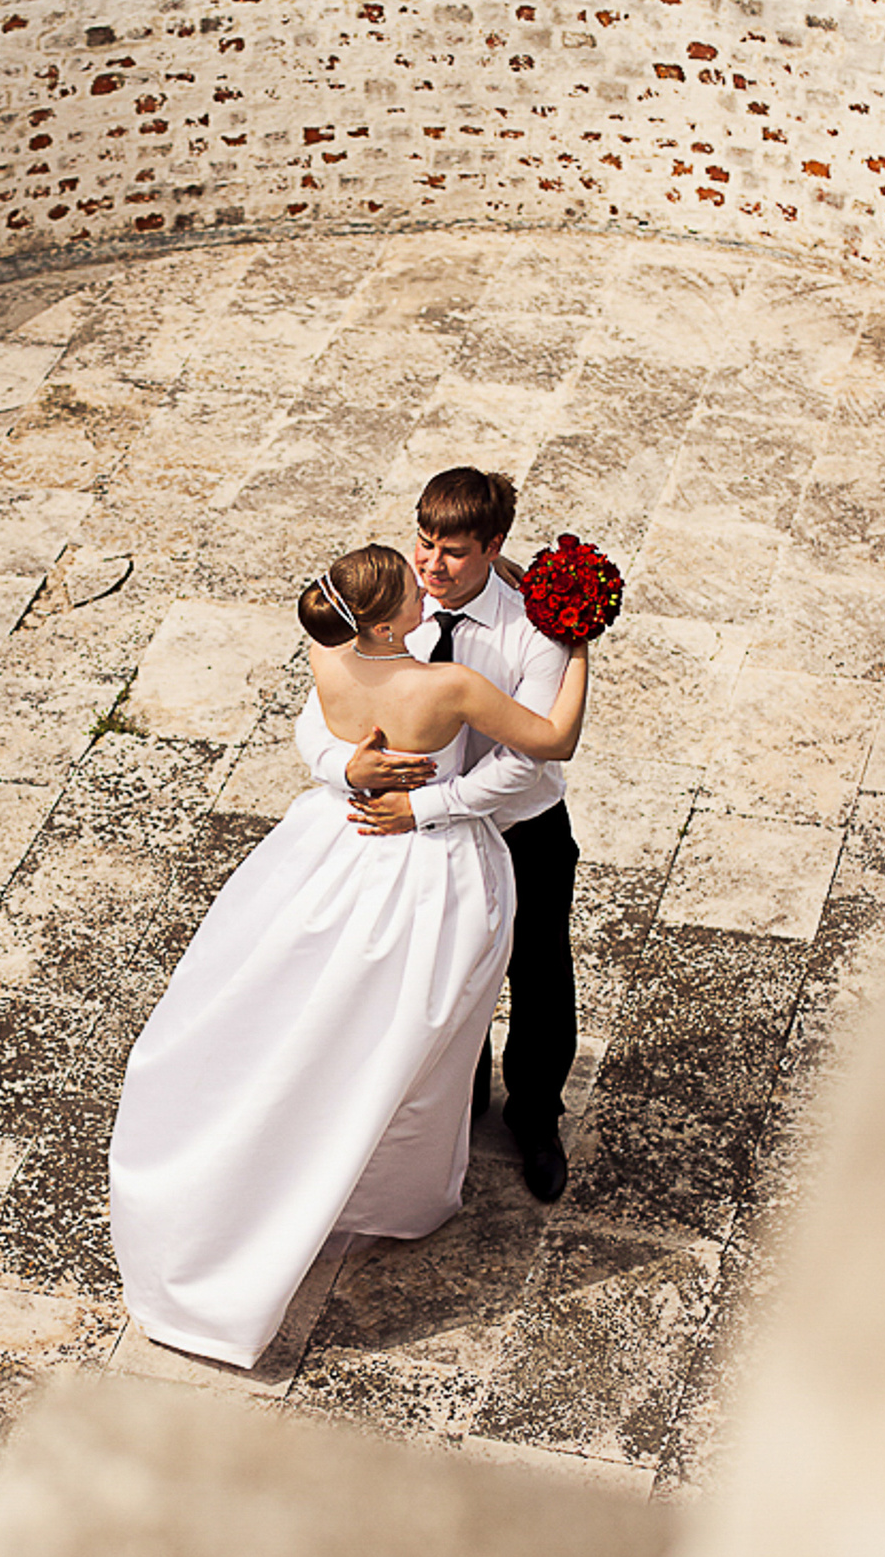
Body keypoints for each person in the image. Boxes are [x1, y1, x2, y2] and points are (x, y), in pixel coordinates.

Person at [109, 544, 588, 1367]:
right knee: (413, 1026)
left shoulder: (328, 651)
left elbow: (325, 712)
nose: (426, 574)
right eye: (413, 575)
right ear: (394, 615)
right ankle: (384, 1166)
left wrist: (355, 762)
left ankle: (431, 1136)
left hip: (336, 852)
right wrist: (582, 649)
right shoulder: (448, 686)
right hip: (425, 872)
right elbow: (554, 737)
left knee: (352, 1016)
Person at [294, 467, 582, 1203]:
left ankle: (537, 1117)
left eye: (452, 550)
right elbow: (320, 710)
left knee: (539, 975)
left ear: (494, 546)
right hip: (424, 847)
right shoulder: (396, 604)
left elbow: (527, 762)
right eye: (424, 543)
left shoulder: (533, 630)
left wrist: (426, 806)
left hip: (519, 829)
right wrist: (345, 765)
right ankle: (456, 1105)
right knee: (438, 980)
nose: (431, 564)